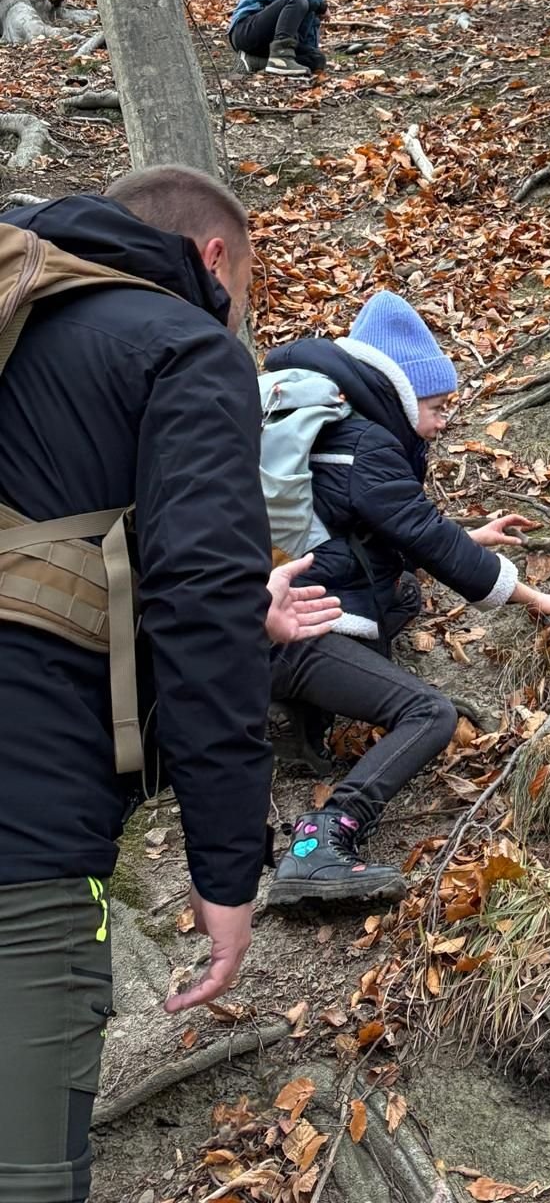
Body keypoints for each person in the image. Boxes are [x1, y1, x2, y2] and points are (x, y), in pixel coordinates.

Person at [0, 166, 335, 1201]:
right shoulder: (183, 347)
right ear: (214, 259)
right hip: (25, 826)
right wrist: (228, 869)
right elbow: (197, 602)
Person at [260, 291, 550, 906]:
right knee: (431, 713)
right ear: (398, 391)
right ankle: (321, 840)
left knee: (398, 595)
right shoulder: (368, 442)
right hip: (293, 632)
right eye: (436, 406)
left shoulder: (328, 424)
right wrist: (528, 594)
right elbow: (423, 537)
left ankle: (300, 728)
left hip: (261, 614)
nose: (444, 419)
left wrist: (469, 536)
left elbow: (370, 529)